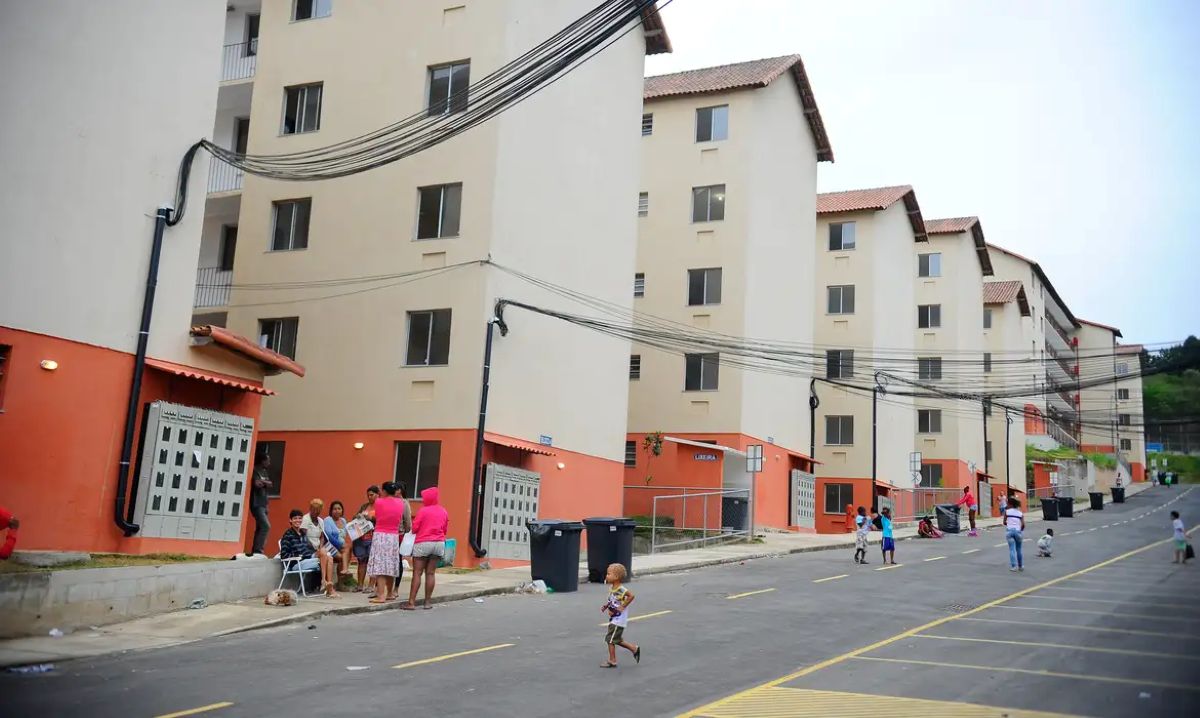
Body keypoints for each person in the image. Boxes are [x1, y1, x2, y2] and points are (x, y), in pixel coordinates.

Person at [403, 486, 449, 610]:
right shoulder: (443, 511)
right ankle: (427, 602)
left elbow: (415, 528)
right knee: (431, 573)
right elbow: (445, 529)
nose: (423, 500)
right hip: (439, 543)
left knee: (417, 573)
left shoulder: (423, 511)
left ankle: (411, 603)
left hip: (423, 543)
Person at [280, 509, 338, 597]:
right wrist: (298, 556)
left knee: (327, 554)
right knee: (326, 557)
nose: (298, 520)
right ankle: (329, 588)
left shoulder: (303, 533)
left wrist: (316, 553)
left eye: (300, 518)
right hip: (297, 563)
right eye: (295, 518)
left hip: (307, 559)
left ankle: (325, 583)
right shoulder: (288, 535)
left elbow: (309, 550)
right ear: (290, 520)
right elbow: (284, 555)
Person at [366, 483, 405, 604]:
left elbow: (377, 515)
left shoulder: (379, 502)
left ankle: (381, 595)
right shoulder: (401, 503)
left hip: (381, 535)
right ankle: (390, 593)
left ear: (384, 491)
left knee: (380, 566)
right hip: (394, 536)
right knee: (390, 565)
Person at [600, 562, 640, 668]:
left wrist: (623, 606)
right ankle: (634, 649)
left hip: (619, 620)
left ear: (616, 577)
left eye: (609, 574)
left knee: (610, 639)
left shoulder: (620, 589)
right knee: (616, 639)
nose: (606, 576)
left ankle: (612, 660)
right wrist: (608, 608)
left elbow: (631, 596)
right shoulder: (613, 588)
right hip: (614, 617)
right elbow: (613, 601)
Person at [353, 485, 380, 592]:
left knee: (372, 561)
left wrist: (371, 518)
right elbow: (355, 516)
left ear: (378, 494)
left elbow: (382, 519)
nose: (370, 497)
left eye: (372, 495)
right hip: (362, 537)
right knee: (361, 561)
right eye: (368, 495)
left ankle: (371, 585)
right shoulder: (364, 506)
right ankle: (360, 585)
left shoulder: (380, 506)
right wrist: (357, 516)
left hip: (374, 536)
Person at [248, 451, 273, 556]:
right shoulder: (255, 470)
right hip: (256, 503)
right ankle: (259, 550)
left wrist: (265, 483)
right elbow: (257, 484)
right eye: (268, 460)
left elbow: (270, 484)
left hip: (264, 503)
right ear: (263, 461)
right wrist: (265, 483)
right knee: (266, 526)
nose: (269, 462)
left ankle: (255, 550)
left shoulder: (264, 472)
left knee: (260, 527)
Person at [327, 500, 351, 575]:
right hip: (329, 546)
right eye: (335, 509)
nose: (337, 511)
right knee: (342, 556)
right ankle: (345, 569)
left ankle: (342, 579)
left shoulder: (343, 521)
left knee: (349, 547)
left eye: (339, 509)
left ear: (342, 510)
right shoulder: (328, 520)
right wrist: (340, 544)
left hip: (341, 547)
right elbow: (329, 536)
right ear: (331, 511)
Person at [1004, 497, 1026, 572]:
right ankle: (1021, 566)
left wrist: (1008, 523)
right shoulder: (1020, 513)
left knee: (1012, 549)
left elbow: (1004, 522)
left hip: (1009, 532)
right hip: (1018, 532)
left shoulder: (1007, 512)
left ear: (1010, 504)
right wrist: (1020, 530)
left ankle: (1014, 566)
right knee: (1019, 549)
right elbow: (1023, 525)